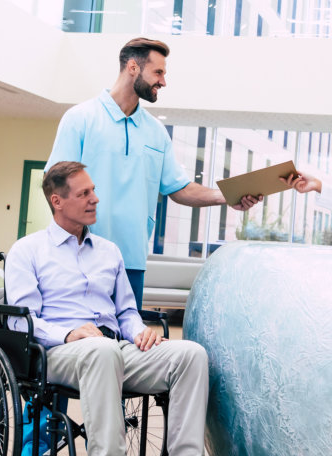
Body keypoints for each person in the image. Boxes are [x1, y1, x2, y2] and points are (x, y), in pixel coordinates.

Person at [6, 161, 220, 456]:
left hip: (112, 348)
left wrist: (139, 332)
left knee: (190, 354)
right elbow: (22, 320)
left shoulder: (109, 252)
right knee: (101, 350)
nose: (95, 199)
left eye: (93, 191)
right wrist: (68, 334)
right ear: (57, 201)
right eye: (84, 193)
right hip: (57, 353)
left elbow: (126, 312)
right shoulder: (27, 251)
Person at [46, 37, 261, 310]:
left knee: (125, 344)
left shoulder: (155, 132)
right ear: (133, 67)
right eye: (158, 72)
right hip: (80, 256)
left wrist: (226, 196)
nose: (163, 81)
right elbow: (54, 184)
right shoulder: (80, 118)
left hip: (132, 260)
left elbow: (179, 188)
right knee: (79, 340)